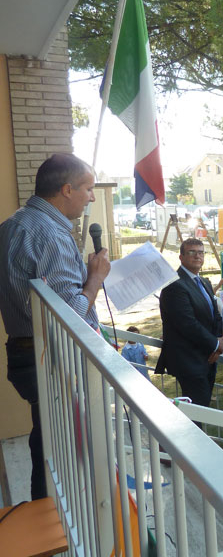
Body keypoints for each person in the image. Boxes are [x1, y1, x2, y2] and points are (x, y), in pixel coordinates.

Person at [0, 153, 111, 501]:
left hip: (29, 352)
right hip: (52, 359)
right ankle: (53, 529)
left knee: (49, 442)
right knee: (57, 455)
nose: (92, 197)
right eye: (89, 189)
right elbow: (69, 314)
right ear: (66, 190)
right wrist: (94, 280)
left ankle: (50, 525)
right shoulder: (48, 234)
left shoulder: (14, 224)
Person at [157, 238, 223, 407]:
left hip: (208, 357)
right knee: (197, 412)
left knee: (203, 407)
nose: (197, 256)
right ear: (181, 257)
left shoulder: (204, 282)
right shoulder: (174, 285)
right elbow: (187, 324)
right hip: (189, 360)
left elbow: (215, 314)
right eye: (192, 252)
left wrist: (218, 343)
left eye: (201, 252)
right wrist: (215, 344)